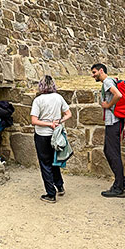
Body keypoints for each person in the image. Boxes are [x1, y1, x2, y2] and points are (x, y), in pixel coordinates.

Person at [30, 75, 72, 203]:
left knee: (45, 164)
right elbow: (68, 114)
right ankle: (59, 186)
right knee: (54, 161)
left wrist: (49, 124)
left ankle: (50, 194)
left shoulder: (38, 100)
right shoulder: (58, 98)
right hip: (56, 135)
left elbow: (34, 120)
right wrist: (59, 121)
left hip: (42, 135)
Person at [91, 63, 125, 198]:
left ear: (101, 70)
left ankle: (118, 186)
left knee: (112, 152)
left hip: (113, 121)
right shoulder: (110, 81)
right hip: (115, 121)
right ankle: (121, 181)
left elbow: (118, 95)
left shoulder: (107, 81)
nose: (93, 75)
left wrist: (108, 105)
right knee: (110, 150)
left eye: (94, 72)